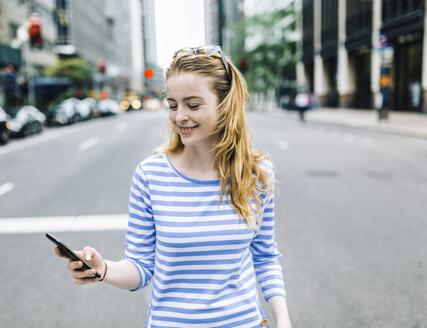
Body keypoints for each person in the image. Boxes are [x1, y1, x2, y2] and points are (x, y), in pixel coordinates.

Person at [55, 45, 292, 328]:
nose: (179, 116)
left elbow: (265, 258)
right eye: (172, 104)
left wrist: (284, 321)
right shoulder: (150, 176)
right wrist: (103, 268)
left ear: (226, 105)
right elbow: (140, 268)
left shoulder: (257, 173)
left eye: (193, 105)